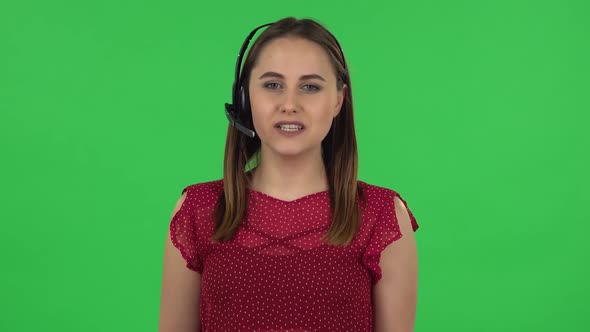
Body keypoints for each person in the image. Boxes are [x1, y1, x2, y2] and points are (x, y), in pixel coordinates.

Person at [159, 17, 419, 332]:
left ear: (337, 99)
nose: (290, 104)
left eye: (310, 87)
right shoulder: (197, 211)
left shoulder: (383, 216)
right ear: (244, 98)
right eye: (272, 85)